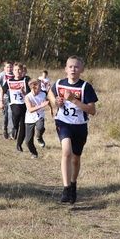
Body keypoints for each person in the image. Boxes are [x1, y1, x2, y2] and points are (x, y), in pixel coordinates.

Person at [49, 56, 98, 204]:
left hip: (80, 125)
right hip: (63, 122)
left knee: (75, 159)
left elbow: (92, 110)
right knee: (66, 152)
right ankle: (66, 188)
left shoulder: (85, 87)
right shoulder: (58, 84)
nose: (73, 69)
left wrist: (74, 100)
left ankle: (73, 183)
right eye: (70, 67)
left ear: (81, 70)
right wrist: (55, 102)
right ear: (65, 69)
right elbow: (50, 94)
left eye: (76, 67)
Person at [1, 62, 30, 152]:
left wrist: (24, 92)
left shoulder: (26, 80)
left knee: (24, 125)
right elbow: (2, 90)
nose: (17, 71)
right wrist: (1, 101)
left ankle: (19, 145)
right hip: (14, 103)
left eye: (19, 70)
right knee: (16, 114)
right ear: (13, 71)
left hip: (25, 105)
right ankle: (14, 127)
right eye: (15, 70)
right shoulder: (9, 81)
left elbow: (30, 94)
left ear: (22, 70)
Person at [24, 79, 53, 158]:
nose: (41, 87)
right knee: (27, 141)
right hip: (29, 119)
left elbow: (48, 101)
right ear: (33, 87)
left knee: (40, 128)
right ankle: (34, 153)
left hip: (40, 116)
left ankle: (39, 137)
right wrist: (41, 105)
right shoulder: (27, 97)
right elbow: (30, 110)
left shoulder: (43, 94)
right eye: (39, 86)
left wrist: (51, 109)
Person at [0, 61, 14, 139]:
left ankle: (11, 132)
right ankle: (4, 129)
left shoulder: (15, 74)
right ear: (4, 68)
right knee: (5, 115)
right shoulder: (2, 75)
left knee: (11, 114)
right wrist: (1, 89)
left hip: (13, 98)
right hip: (4, 97)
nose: (9, 69)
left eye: (10, 67)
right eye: (7, 67)